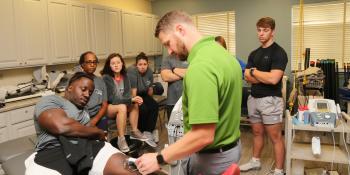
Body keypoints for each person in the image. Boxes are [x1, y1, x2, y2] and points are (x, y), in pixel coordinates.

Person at [135, 10, 242, 175]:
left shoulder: (200, 67)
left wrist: (158, 158)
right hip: (231, 150)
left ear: (180, 30)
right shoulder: (224, 56)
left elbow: (203, 135)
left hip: (211, 161)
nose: (169, 51)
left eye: (167, 43)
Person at [25, 72, 139, 175]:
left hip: (87, 148)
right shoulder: (52, 100)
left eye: (90, 92)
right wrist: (98, 132)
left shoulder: (85, 112)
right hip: (53, 151)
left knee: (133, 169)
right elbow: (61, 126)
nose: (87, 95)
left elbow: (86, 131)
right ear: (69, 88)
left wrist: (94, 134)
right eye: (83, 89)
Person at [240, 17, 287, 175]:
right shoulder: (254, 53)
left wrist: (254, 72)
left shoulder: (279, 53)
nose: (261, 33)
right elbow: (247, 76)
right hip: (253, 99)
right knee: (257, 133)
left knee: (275, 137)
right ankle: (255, 161)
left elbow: (274, 79)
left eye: (265, 30)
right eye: (259, 30)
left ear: (272, 31)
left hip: (270, 101)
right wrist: (260, 75)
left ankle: (279, 170)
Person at [101, 53, 148, 153]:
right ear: (109, 66)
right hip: (108, 107)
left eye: (118, 62)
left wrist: (134, 99)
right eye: (113, 63)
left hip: (121, 106)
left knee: (134, 103)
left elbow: (127, 96)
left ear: (122, 64)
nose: (116, 65)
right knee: (123, 106)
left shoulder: (125, 77)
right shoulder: (106, 78)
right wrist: (130, 100)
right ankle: (121, 139)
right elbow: (113, 99)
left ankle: (134, 131)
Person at [127, 52, 159, 146]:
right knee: (143, 109)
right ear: (136, 65)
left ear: (147, 64)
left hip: (143, 93)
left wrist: (151, 101)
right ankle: (139, 131)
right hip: (133, 94)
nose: (142, 66)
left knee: (154, 106)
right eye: (140, 64)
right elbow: (133, 92)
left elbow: (149, 88)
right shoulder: (132, 71)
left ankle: (148, 132)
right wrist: (135, 101)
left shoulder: (149, 71)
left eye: (145, 64)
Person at [78, 51, 108, 130]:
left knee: (103, 140)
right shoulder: (76, 80)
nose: (92, 65)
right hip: (80, 117)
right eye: (89, 62)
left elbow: (104, 105)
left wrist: (95, 120)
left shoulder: (100, 81)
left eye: (94, 62)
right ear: (82, 64)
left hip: (98, 117)